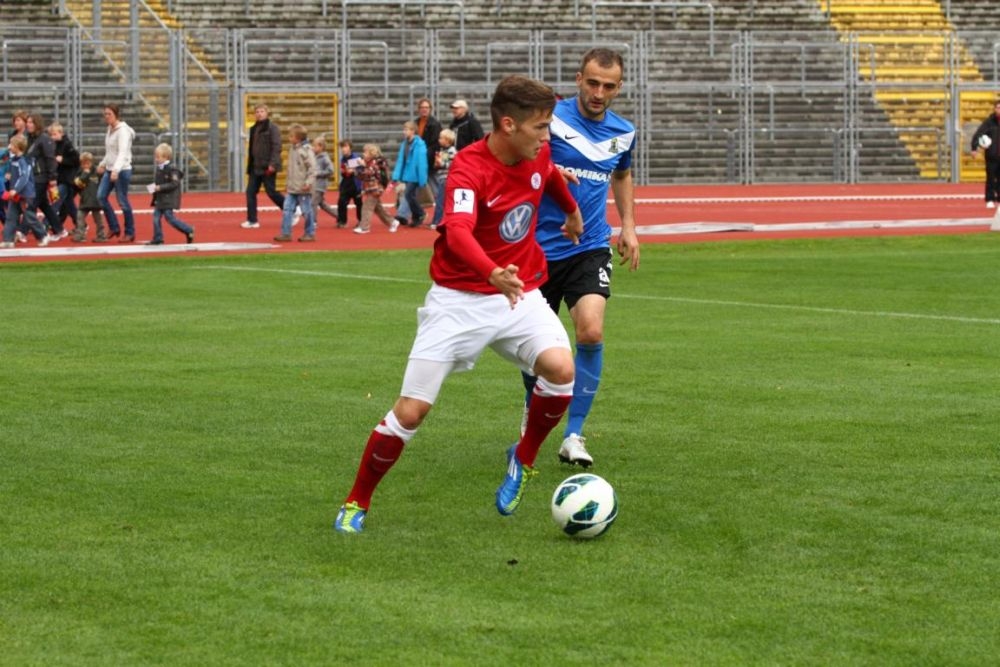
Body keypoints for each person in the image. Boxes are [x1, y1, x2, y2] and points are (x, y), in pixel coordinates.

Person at [333, 74, 584, 534]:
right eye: (540, 127)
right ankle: (356, 501)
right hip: (458, 300)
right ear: (508, 125)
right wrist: (490, 272)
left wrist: (570, 210)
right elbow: (458, 232)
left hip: (518, 293)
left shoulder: (537, 151)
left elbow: (548, 173)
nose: (548, 136)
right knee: (412, 410)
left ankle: (523, 459)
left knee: (561, 370)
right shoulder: (469, 169)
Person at [518, 47, 640, 468]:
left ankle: (573, 434)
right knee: (538, 348)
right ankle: (532, 415)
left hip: (588, 247)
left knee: (590, 331)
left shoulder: (624, 132)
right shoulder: (550, 119)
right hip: (536, 248)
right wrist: (550, 172)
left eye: (608, 86)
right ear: (578, 79)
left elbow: (621, 174)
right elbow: (517, 159)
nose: (598, 93)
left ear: (619, 88)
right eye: (592, 83)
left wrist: (628, 226)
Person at [241, 103, 288, 229]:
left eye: (262, 111)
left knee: (271, 192)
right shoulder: (253, 129)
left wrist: (272, 164)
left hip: (267, 166)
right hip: (255, 166)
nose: (259, 114)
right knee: (250, 192)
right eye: (257, 112)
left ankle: (291, 209)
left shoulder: (273, 128)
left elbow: (277, 147)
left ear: (267, 113)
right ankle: (252, 220)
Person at [96, 103, 137, 242]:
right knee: (101, 197)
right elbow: (110, 152)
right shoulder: (109, 129)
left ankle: (130, 232)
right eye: (105, 114)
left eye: (109, 114)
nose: (106, 116)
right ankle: (114, 227)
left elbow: (122, 153)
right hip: (110, 169)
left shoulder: (123, 131)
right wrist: (102, 164)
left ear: (116, 115)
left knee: (122, 201)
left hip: (122, 170)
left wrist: (116, 170)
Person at [1, 134, 49, 248]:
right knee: (11, 216)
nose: (9, 146)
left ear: (18, 147)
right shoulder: (14, 160)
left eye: (11, 144)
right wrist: (9, 175)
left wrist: (15, 189)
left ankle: (43, 235)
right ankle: (8, 239)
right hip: (15, 194)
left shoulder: (24, 161)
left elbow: (24, 177)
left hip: (25, 194)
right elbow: (14, 172)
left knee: (29, 216)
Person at [273, 123, 316, 243]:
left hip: (303, 188)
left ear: (298, 138)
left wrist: (308, 183)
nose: (289, 138)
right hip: (292, 188)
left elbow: (312, 168)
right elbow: (292, 169)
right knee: (287, 209)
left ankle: (310, 233)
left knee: (306, 211)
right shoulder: (292, 149)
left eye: (291, 136)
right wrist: (288, 183)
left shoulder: (306, 150)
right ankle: (286, 233)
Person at [146, 143, 195, 245]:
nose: (156, 159)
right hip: (160, 199)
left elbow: (174, 183)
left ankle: (188, 229)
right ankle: (158, 238)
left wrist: (160, 187)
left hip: (168, 199)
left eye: (158, 157)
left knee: (170, 218)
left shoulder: (172, 169)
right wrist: (154, 188)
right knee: (156, 218)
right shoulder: (159, 169)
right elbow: (159, 182)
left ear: (166, 157)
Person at [25, 113, 62, 240]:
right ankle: (59, 229)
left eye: (31, 122)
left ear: (37, 124)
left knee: (31, 206)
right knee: (44, 205)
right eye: (28, 122)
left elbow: (50, 159)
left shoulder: (44, 139)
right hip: (33, 176)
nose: (28, 125)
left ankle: (22, 231)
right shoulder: (30, 138)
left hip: (41, 177)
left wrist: (52, 178)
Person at [390, 120, 428, 228]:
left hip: (415, 175)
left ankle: (421, 213)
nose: (404, 132)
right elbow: (401, 160)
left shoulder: (420, 144)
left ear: (413, 131)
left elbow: (421, 163)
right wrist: (396, 176)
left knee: (408, 195)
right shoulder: (405, 143)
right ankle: (417, 218)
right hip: (408, 174)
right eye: (404, 129)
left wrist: (422, 179)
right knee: (411, 196)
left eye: (406, 130)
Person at [353, 143, 396, 235]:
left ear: (371, 154)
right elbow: (363, 176)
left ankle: (364, 227)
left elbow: (370, 173)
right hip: (371, 189)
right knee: (378, 209)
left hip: (375, 189)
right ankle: (392, 222)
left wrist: (364, 166)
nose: (363, 154)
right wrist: (356, 170)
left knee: (366, 207)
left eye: (365, 152)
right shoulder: (368, 163)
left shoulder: (374, 163)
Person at [48, 122, 80, 239]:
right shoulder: (53, 145)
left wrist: (63, 160)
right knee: (68, 203)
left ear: (61, 133)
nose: (52, 137)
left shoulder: (67, 144)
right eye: (51, 134)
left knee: (56, 202)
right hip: (59, 178)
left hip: (67, 179)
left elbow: (76, 160)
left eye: (54, 134)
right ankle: (81, 224)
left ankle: (49, 225)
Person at [970, 99, 1000, 208]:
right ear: (994, 109)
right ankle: (990, 199)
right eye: (998, 108)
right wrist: (974, 148)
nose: (999, 110)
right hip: (992, 155)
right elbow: (978, 134)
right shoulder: (989, 122)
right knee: (990, 178)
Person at [72, 151, 106, 243]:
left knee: (98, 220)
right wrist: (85, 174)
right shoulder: (79, 172)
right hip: (85, 200)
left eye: (88, 163)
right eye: (83, 164)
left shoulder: (97, 172)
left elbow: (104, 179)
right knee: (79, 218)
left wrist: (103, 171)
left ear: (92, 162)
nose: (86, 166)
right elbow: (78, 183)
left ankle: (101, 235)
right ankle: (80, 235)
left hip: (95, 200)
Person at [429, 128, 457, 230]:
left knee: (440, 200)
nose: (439, 140)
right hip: (441, 177)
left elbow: (450, 164)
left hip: (446, 178)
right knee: (443, 200)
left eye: (441, 138)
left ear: (447, 140)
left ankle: (437, 221)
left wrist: (440, 163)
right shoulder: (443, 150)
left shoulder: (451, 151)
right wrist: (437, 163)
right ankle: (444, 220)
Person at [310, 136, 338, 225]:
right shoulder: (314, 156)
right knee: (323, 204)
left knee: (313, 203)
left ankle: (313, 222)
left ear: (321, 147)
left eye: (315, 146)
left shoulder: (324, 158)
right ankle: (340, 216)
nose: (313, 148)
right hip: (314, 185)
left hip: (320, 185)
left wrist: (319, 173)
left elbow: (331, 170)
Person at [336, 140, 363, 229]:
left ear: (350, 148)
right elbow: (344, 172)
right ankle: (342, 221)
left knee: (358, 203)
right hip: (346, 183)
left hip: (355, 183)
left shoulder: (356, 158)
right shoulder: (343, 159)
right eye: (342, 147)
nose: (343, 149)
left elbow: (362, 169)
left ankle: (361, 221)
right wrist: (344, 172)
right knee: (341, 202)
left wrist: (353, 170)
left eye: (345, 146)